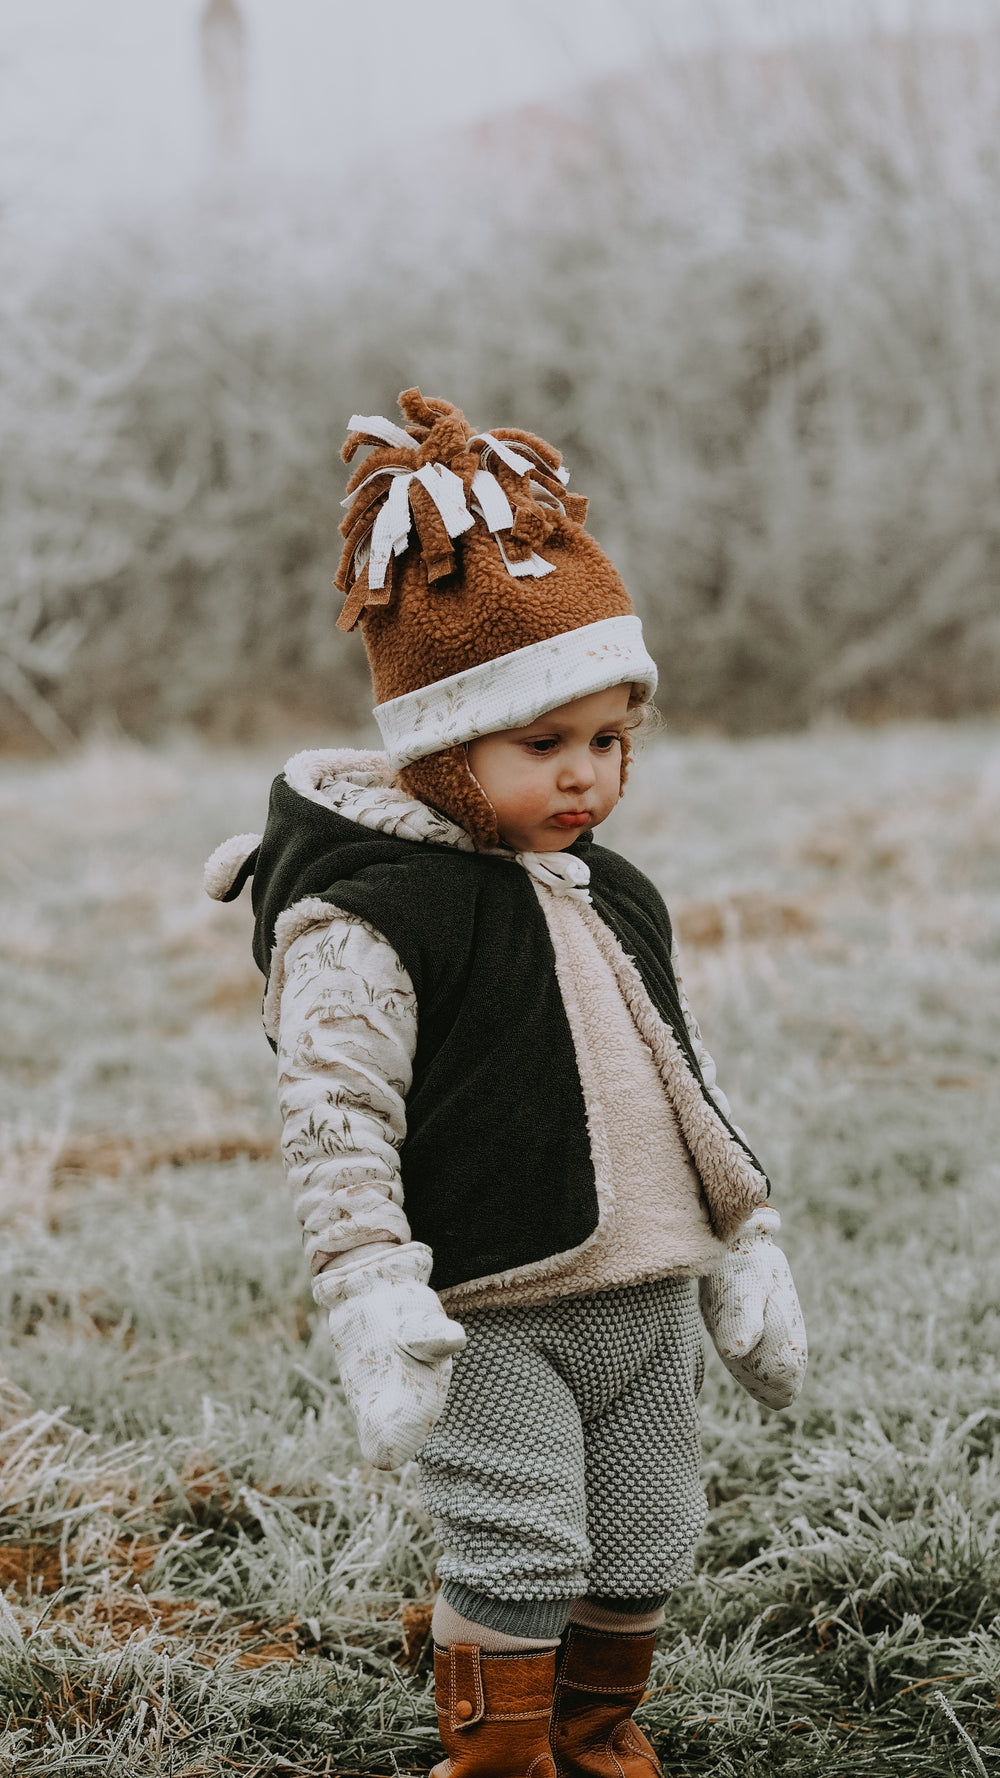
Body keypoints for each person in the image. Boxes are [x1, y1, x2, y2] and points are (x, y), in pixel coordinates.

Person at [205, 389, 807, 1778]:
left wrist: (745, 1236)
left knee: (649, 1533)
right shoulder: (372, 911)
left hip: (647, 1285)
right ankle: (498, 1757)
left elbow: (680, 1065)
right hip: (491, 1298)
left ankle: (598, 1734)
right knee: (524, 1541)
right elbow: (335, 1109)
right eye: (547, 745)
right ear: (448, 744)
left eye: (610, 739)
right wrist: (369, 1282)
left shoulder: (615, 890)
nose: (588, 774)